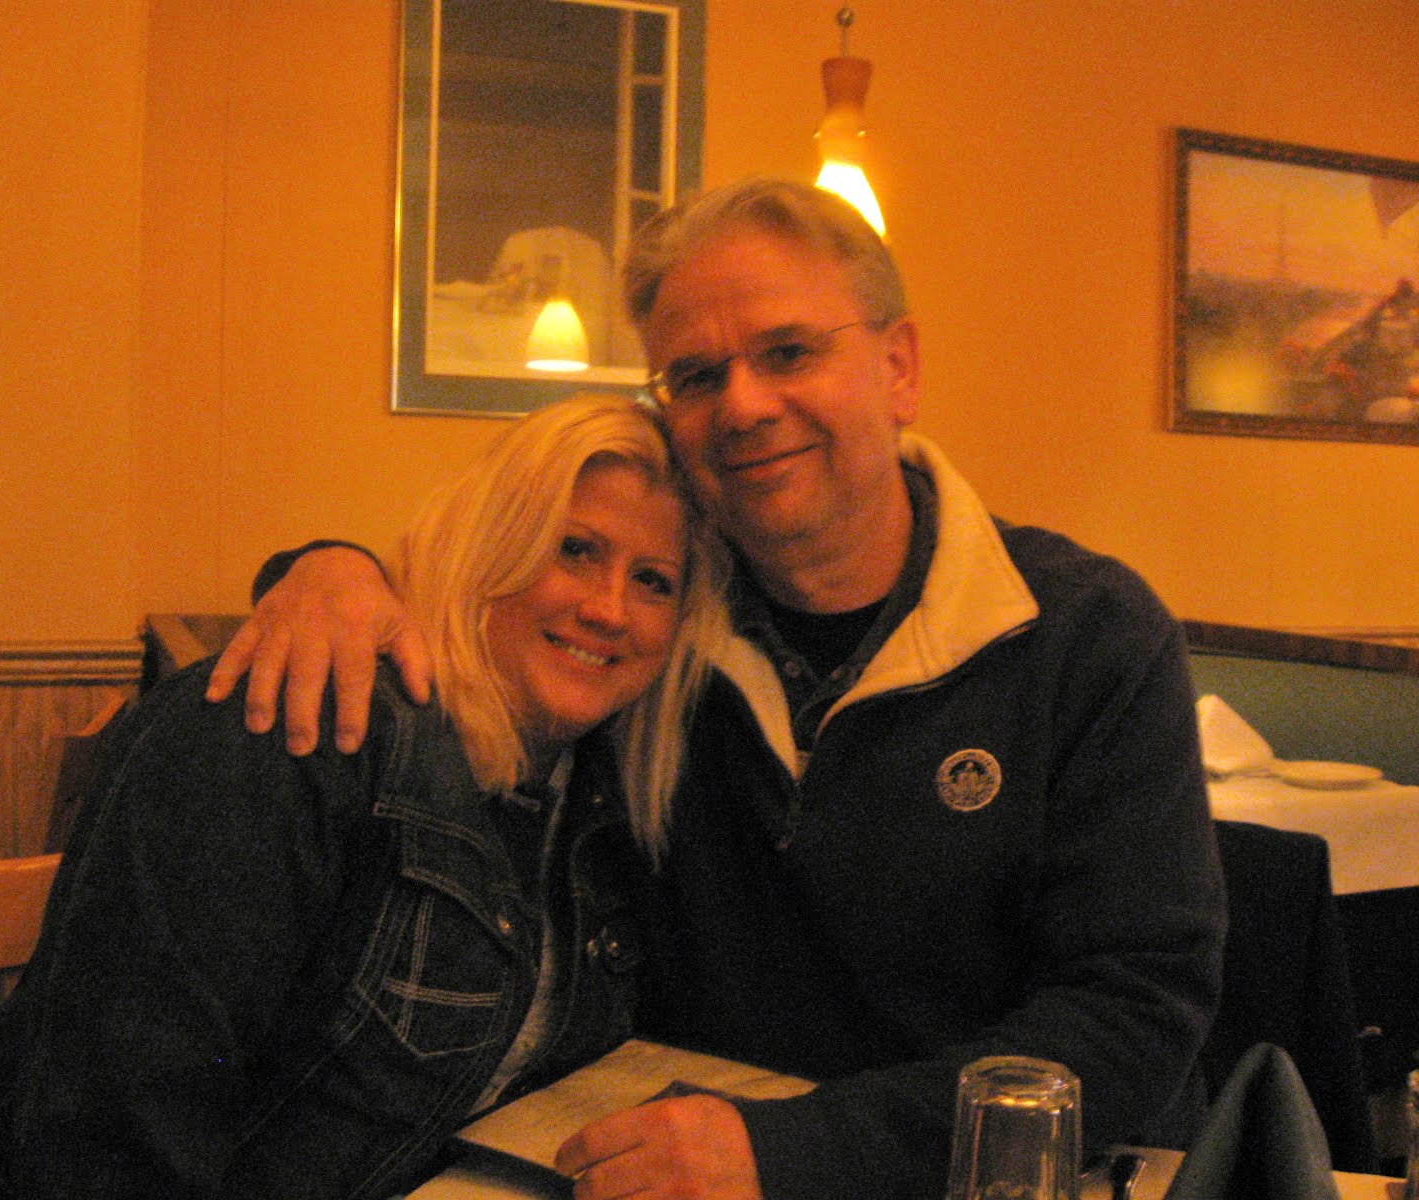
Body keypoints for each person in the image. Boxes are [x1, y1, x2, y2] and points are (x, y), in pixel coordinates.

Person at [207, 177, 1227, 1200]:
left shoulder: (1087, 634)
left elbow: (1133, 1014)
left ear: (898, 367)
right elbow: (481, 604)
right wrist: (328, 570)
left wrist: (797, 1154)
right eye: (696, 377)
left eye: (788, 352)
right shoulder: (642, 636)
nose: (742, 405)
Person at [0, 394, 728, 1199]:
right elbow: (108, 1132)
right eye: (574, 550)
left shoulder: (603, 803)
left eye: (653, 581)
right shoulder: (301, 722)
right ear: (490, 546)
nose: (609, 609)